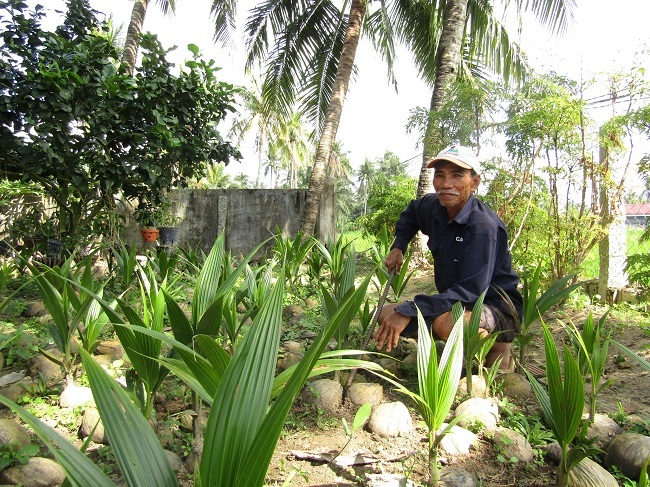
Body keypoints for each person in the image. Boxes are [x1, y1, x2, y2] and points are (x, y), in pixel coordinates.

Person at [373, 144, 522, 369]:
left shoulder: (482, 226)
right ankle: (456, 342)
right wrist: (399, 246)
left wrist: (411, 309)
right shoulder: (434, 207)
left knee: (446, 324)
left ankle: (498, 345)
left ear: (474, 182)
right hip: (455, 302)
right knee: (385, 314)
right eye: (440, 175)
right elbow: (411, 213)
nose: (445, 184)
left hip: (494, 307)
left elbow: (472, 291)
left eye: (456, 175)